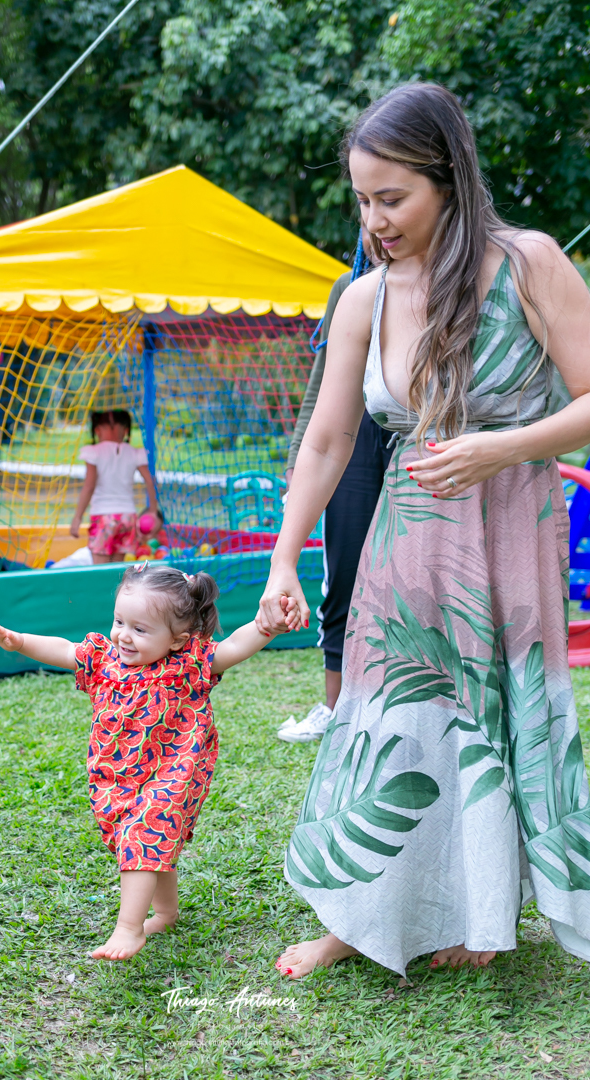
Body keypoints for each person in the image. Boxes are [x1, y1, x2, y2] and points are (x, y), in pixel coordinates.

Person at [257, 82, 590, 979]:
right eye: (363, 199)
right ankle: (354, 918)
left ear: (449, 178)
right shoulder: (364, 298)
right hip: (406, 544)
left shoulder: (530, 264)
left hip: (510, 532)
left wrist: (501, 447)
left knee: (489, 722)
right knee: (389, 721)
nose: (375, 219)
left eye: (393, 197)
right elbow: (326, 440)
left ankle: (480, 920)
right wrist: (285, 557)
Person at [0, 563, 288, 961]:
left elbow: (236, 646)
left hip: (175, 770)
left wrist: (268, 627)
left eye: (140, 629)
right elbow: (62, 649)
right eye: (120, 621)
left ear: (177, 639)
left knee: (147, 831)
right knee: (148, 841)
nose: (124, 634)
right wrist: (17, 640)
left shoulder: (188, 664)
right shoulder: (104, 660)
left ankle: (128, 929)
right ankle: (167, 912)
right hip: (118, 777)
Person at [278, 232, 394, 743]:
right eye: (366, 205)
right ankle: (336, 710)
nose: (377, 222)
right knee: (344, 573)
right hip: (352, 437)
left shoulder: (449, 281)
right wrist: (296, 464)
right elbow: (322, 383)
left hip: (418, 435)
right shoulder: (349, 286)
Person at [70, 409, 159, 564]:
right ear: (125, 430)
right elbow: (150, 481)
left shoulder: (94, 452)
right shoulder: (134, 452)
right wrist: (153, 510)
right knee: (116, 571)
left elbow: (89, 486)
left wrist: (78, 517)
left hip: (104, 517)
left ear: (98, 430)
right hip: (128, 518)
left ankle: (101, 589)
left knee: (99, 570)